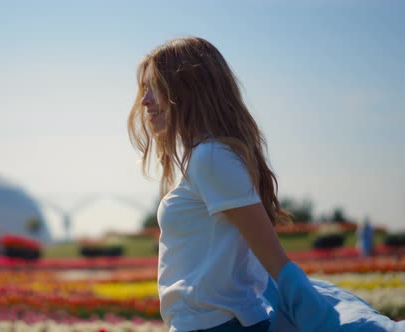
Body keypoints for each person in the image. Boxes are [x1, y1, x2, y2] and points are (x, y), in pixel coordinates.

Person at [127, 36, 404, 332]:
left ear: (186, 89)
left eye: (153, 88)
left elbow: (274, 260)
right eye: (144, 90)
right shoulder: (205, 157)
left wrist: (315, 315)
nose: (144, 101)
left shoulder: (211, 158)